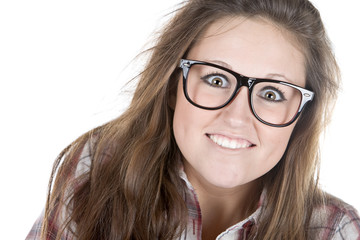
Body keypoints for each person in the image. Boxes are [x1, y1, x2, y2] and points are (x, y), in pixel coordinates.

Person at [26, 0, 360, 239]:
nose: (236, 117)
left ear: (300, 116)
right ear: (173, 87)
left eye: (272, 94)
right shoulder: (98, 169)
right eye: (216, 79)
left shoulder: (335, 230)